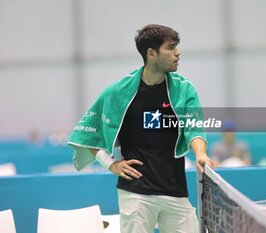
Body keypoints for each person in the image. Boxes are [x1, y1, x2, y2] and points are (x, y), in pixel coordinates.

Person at [67, 24, 213, 233]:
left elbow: (194, 127)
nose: (177, 53)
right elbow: (88, 134)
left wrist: (201, 153)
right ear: (151, 54)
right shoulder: (118, 92)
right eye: (170, 48)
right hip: (136, 194)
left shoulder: (184, 89)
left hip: (175, 190)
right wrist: (111, 165)